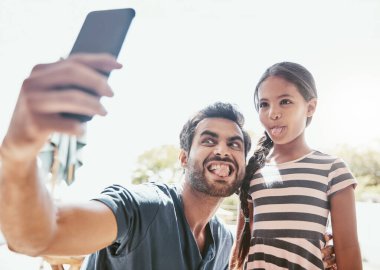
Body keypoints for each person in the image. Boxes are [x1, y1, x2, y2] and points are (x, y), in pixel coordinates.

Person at [0, 54, 336, 270]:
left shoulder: (222, 242)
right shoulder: (142, 209)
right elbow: (37, 236)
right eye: (208, 140)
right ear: (184, 157)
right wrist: (17, 153)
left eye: (234, 144)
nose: (223, 150)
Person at [230, 62, 362, 270]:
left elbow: (348, 248)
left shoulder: (333, 169)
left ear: (310, 107)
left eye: (285, 101)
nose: (273, 113)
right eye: (264, 104)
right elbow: (241, 245)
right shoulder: (253, 173)